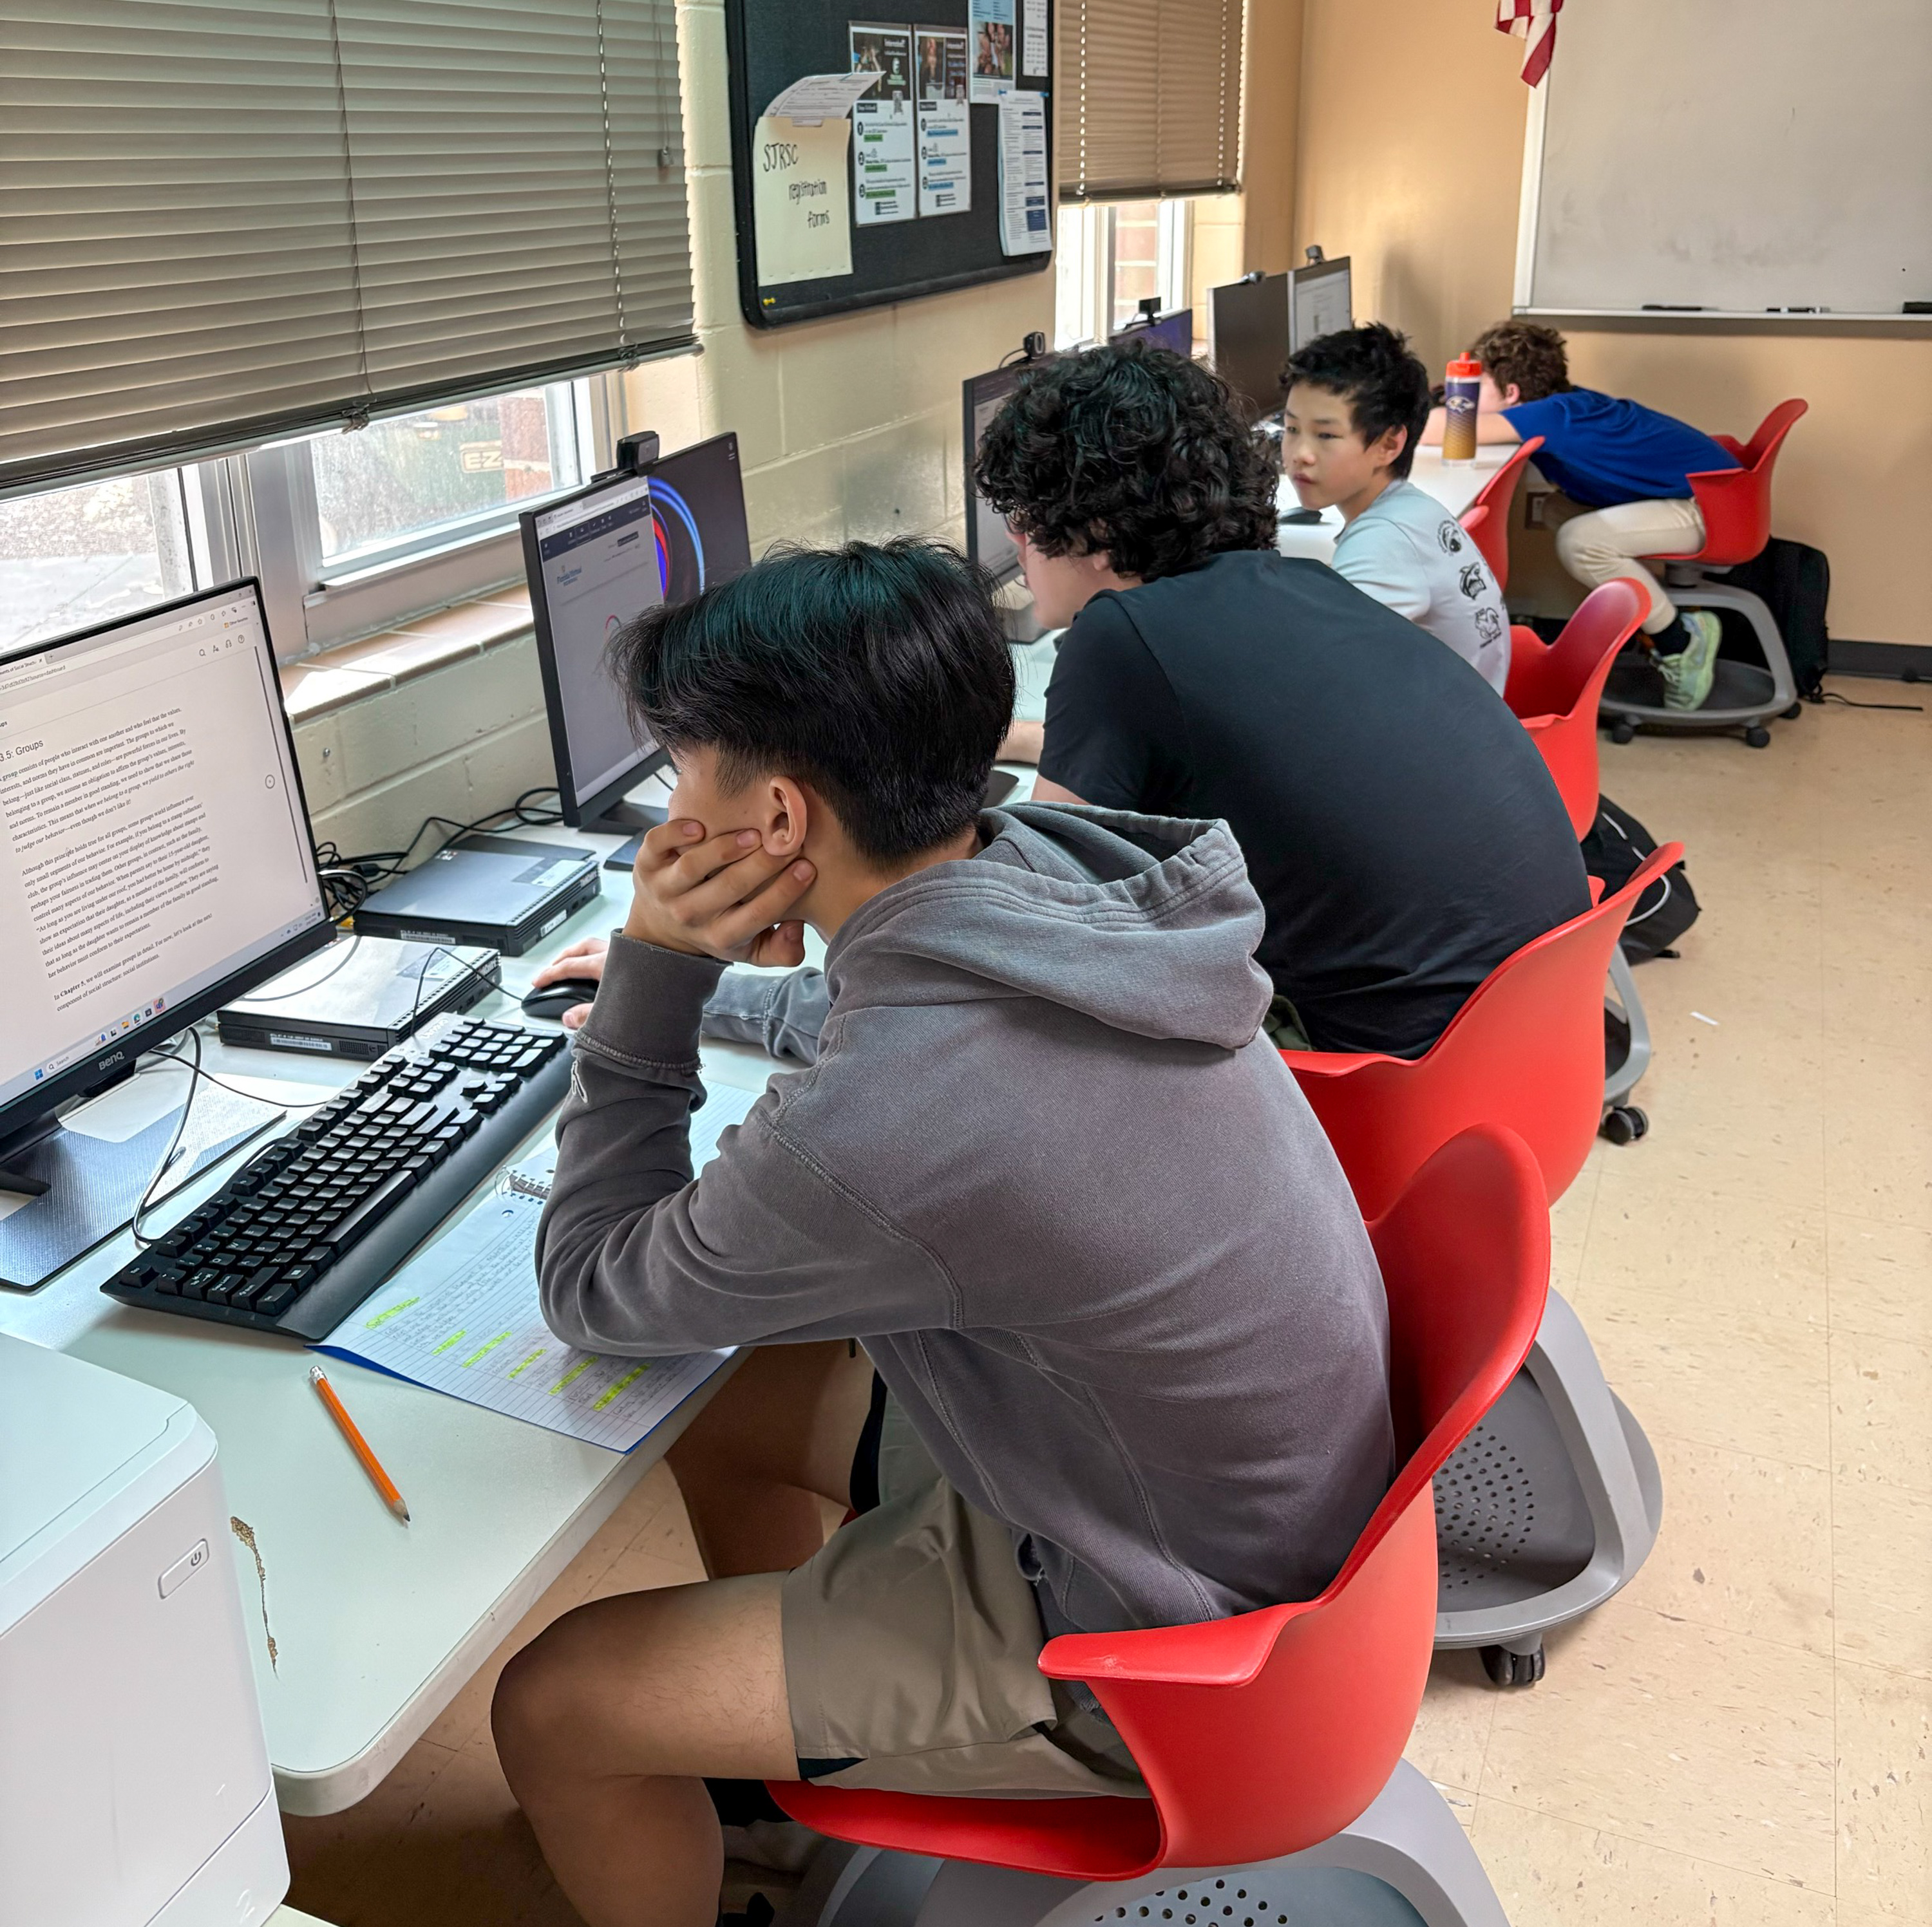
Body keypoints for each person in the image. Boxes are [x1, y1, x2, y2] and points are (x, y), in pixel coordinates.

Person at [491, 539, 1395, 1927]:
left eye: (684, 774)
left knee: (552, 1705)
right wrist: (691, 985)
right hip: (1215, 1505)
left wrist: (660, 983)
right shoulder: (1047, 874)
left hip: (1153, 1641)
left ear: (780, 819)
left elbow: (596, 1285)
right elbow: (895, 1012)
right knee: (733, 1400)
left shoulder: (886, 1127)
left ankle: (807, 1721)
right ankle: (792, 1729)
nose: (669, 810)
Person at [540, 345, 1589, 1063]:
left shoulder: (1121, 644)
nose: (1018, 561)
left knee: (977, 1082)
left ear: (1079, 539)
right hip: (1522, 1036)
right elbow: (1181, 754)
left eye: (1019, 531)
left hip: (1386, 1074)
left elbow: (1006, 953)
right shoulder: (1291, 588)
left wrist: (706, 996)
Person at [1421, 319, 1739, 711]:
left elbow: (1439, 428)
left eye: (1479, 385)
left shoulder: (1552, 415)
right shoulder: (1564, 404)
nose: (1469, 396)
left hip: (1713, 508)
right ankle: (1652, 619)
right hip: (1711, 496)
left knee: (1581, 542)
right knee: (1558, 510)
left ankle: (1682, 641)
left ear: (1512, 393)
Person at [1282, 322, 1510, 691]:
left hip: (1442, 739)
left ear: (1389, 445)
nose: (1299, 455)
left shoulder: (1382, 543)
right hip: (1471, 712)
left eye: (1326, 435)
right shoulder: (1413, 509)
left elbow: (1321, 680)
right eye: (1291, 430)